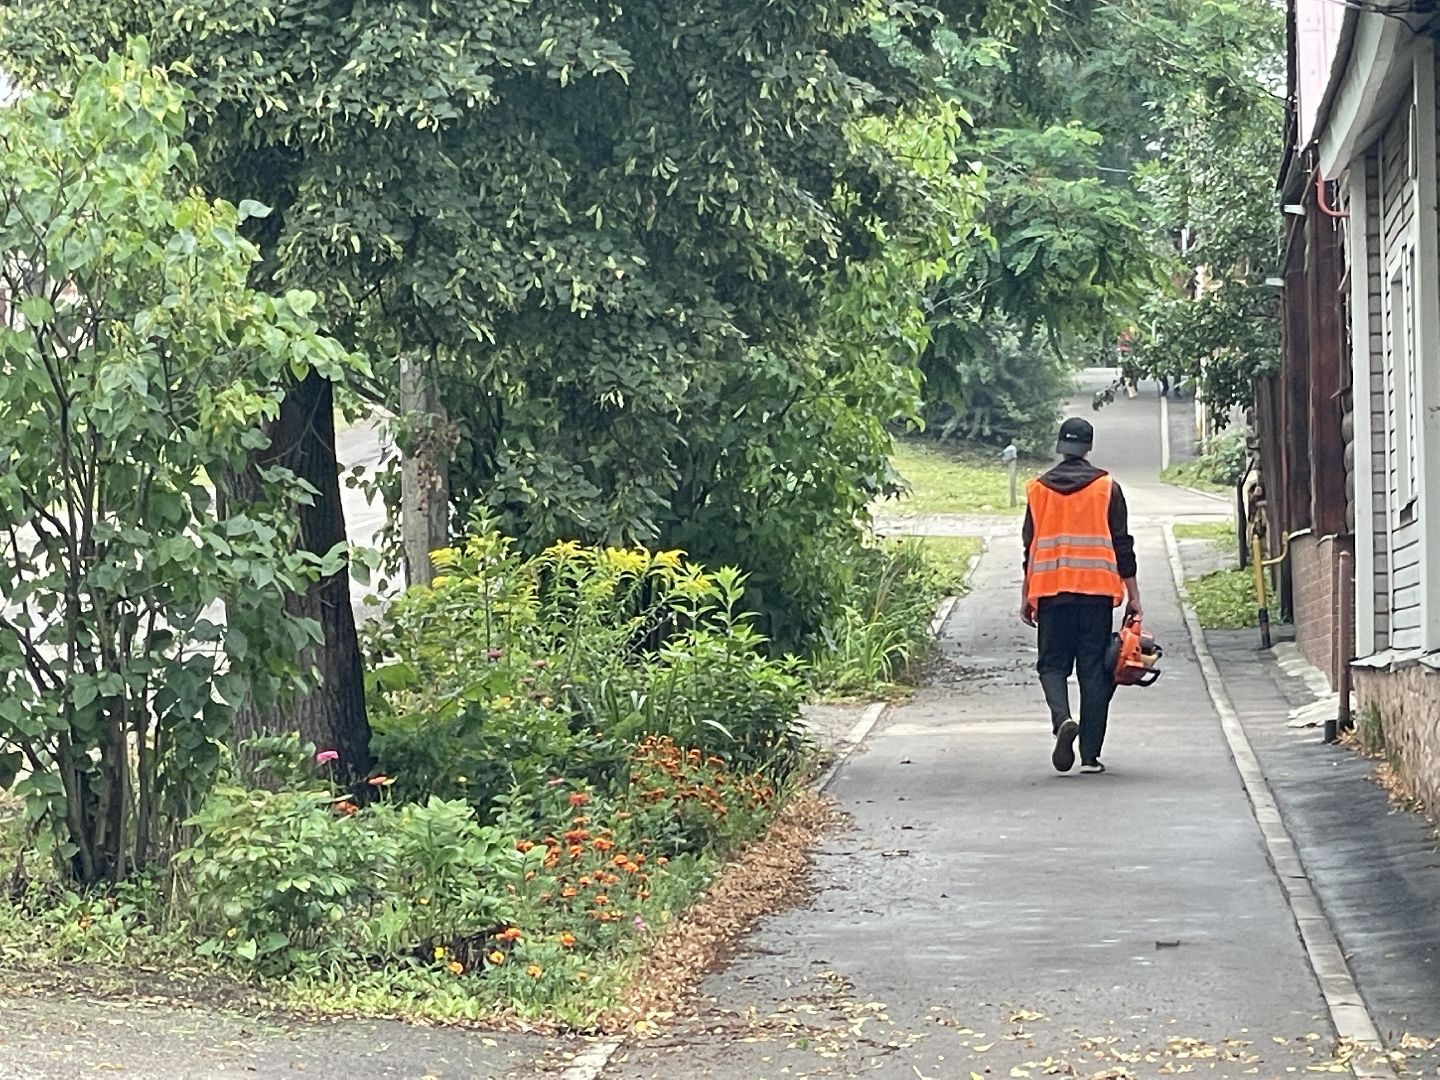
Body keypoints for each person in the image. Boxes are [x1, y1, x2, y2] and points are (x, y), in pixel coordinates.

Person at [1019, 417, 1142, 774]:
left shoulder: (1037, 490)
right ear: (1088, 447)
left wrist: (1027, 594)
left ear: (1061, 446)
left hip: (1051, 593)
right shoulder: (1107, 488)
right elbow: (1122, 545)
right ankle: (1089, 755)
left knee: (1052, 665)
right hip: (1096, 594)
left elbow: (1030, 546)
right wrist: (1134, 595)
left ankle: (1062, 720)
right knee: (1094, 670)